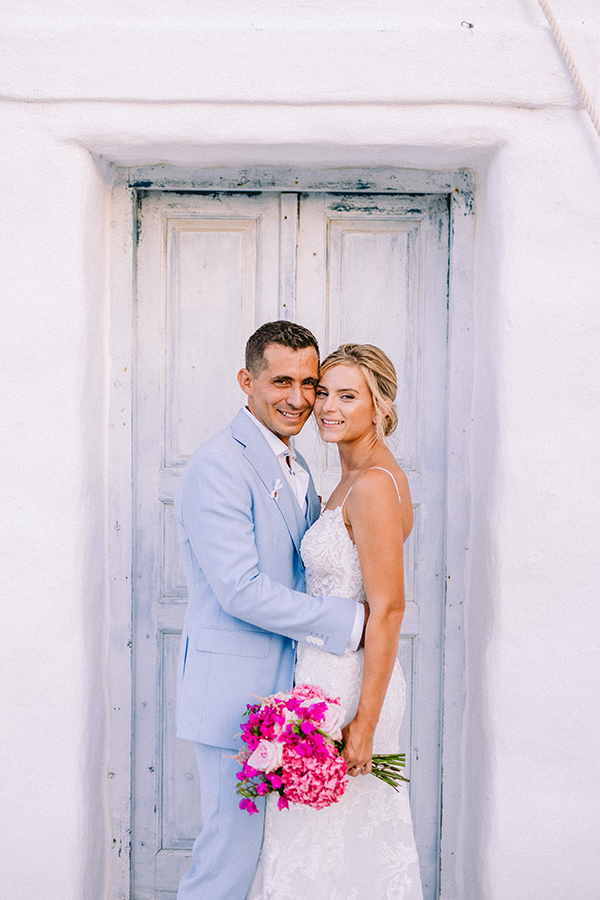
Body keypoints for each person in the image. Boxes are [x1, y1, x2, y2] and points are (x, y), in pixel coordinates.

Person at [174, 321, 366, 900]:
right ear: (246, 381)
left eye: (310, 383)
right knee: (228, 855)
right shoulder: (219, 465)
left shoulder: (299, 466)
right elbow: (240, 589)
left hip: (291, 692)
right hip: (236, 691)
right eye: (281, 381)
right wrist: (345, 623)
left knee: (280, 856)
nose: (299, 399)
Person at [248, 343, 424, 900]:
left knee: (330, 846)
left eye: (347, 395)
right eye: (324, 392)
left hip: (350, 688)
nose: (326, 406)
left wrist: (365, 722)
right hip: (323, 679)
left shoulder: (373, 485)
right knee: (319, 850)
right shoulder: (352, 479)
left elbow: (389, 609)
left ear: (381, 406)